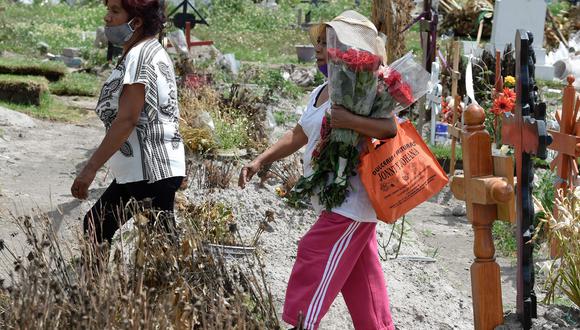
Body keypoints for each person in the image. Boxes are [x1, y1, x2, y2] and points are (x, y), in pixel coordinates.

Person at [238, 11, 397, 330]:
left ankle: (301, 323)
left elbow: (389, 128)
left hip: (350, 201)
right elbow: (299, 133)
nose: (320, 49)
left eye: (329, 42)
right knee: (362, 284)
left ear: (352, 48)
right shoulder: (322, 90)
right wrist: (261, 160)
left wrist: (350, 121)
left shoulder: (366, 88)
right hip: (336, 200)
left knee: (313, 251)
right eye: (320, 42)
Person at [71, 0, 185, 246]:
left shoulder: (140, 58)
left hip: (150, 170)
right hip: (147, 168)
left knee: (163, 249)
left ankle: (97, 284)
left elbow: (127, 119)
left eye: (115, 11)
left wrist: (90, 169)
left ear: (136, 21)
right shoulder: (147, 51)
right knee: (97, 226)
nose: (107, 18)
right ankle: (96, 285)